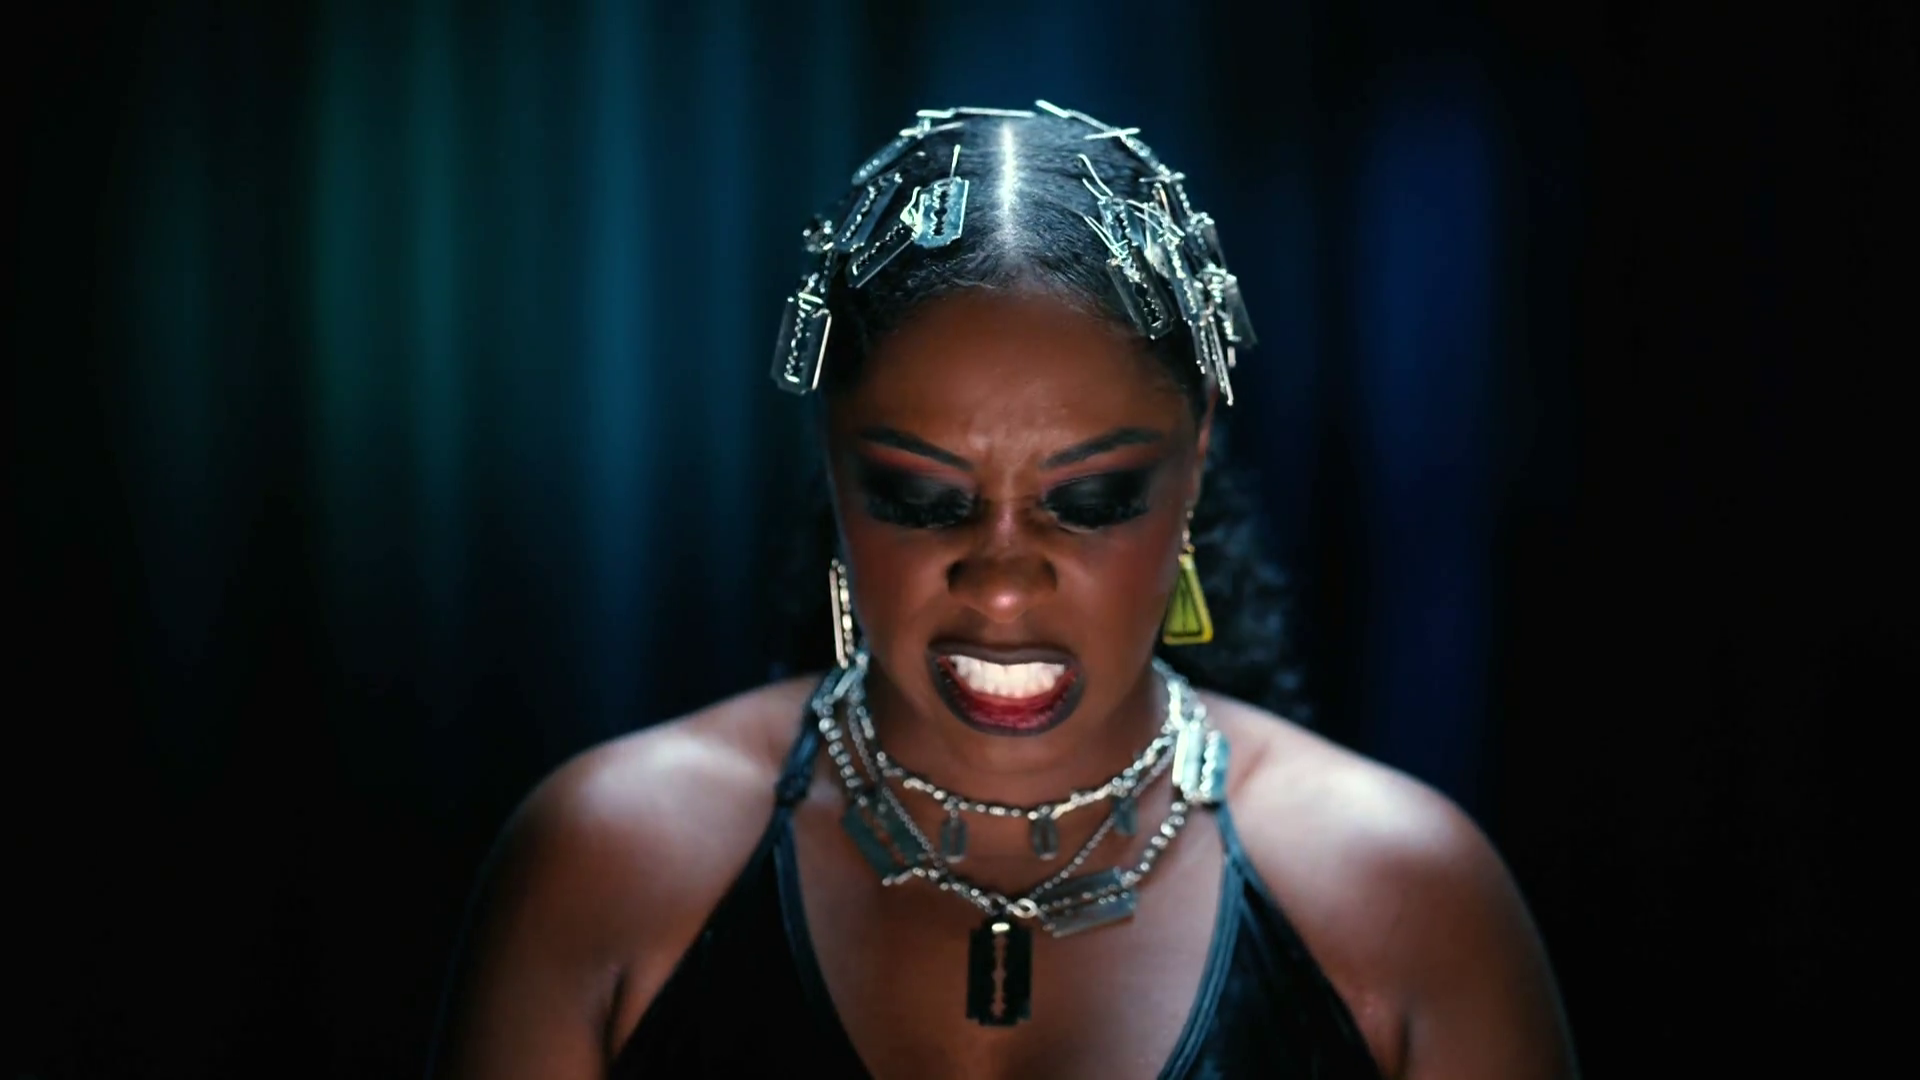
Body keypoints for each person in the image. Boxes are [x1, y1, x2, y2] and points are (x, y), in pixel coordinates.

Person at [428, 101, 1577, 1079]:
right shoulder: (611, 865)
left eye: (1093, 499)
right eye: (924, 498)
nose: (1006, 585)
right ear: (832, 464)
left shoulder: (1402, 900)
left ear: (1195, 464)